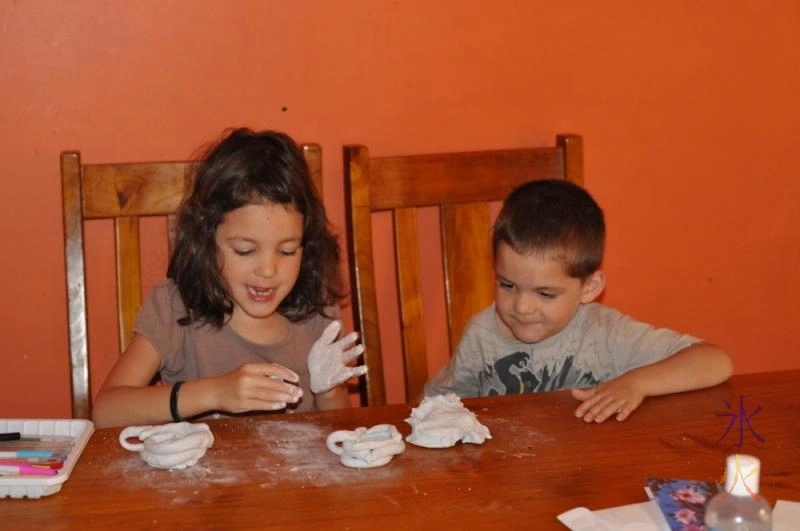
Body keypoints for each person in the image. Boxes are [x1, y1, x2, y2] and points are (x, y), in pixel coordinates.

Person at [92, 128, 366, 428]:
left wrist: (326, 391)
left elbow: (343, 430)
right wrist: (215, 392)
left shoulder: (316, 313)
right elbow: (106, 412)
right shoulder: (176, 309)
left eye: (287, 251)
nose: (268, 270)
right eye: (245, 250)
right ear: (206, 240)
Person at [424, 179, 733, 423]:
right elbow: (436, 406)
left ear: (590, 287)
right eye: (507, 285)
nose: (521, 307)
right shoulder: (481, 335)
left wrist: (636, 383)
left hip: (582, 483)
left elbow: (715, 361)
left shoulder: (605, 333)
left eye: (545, 294)